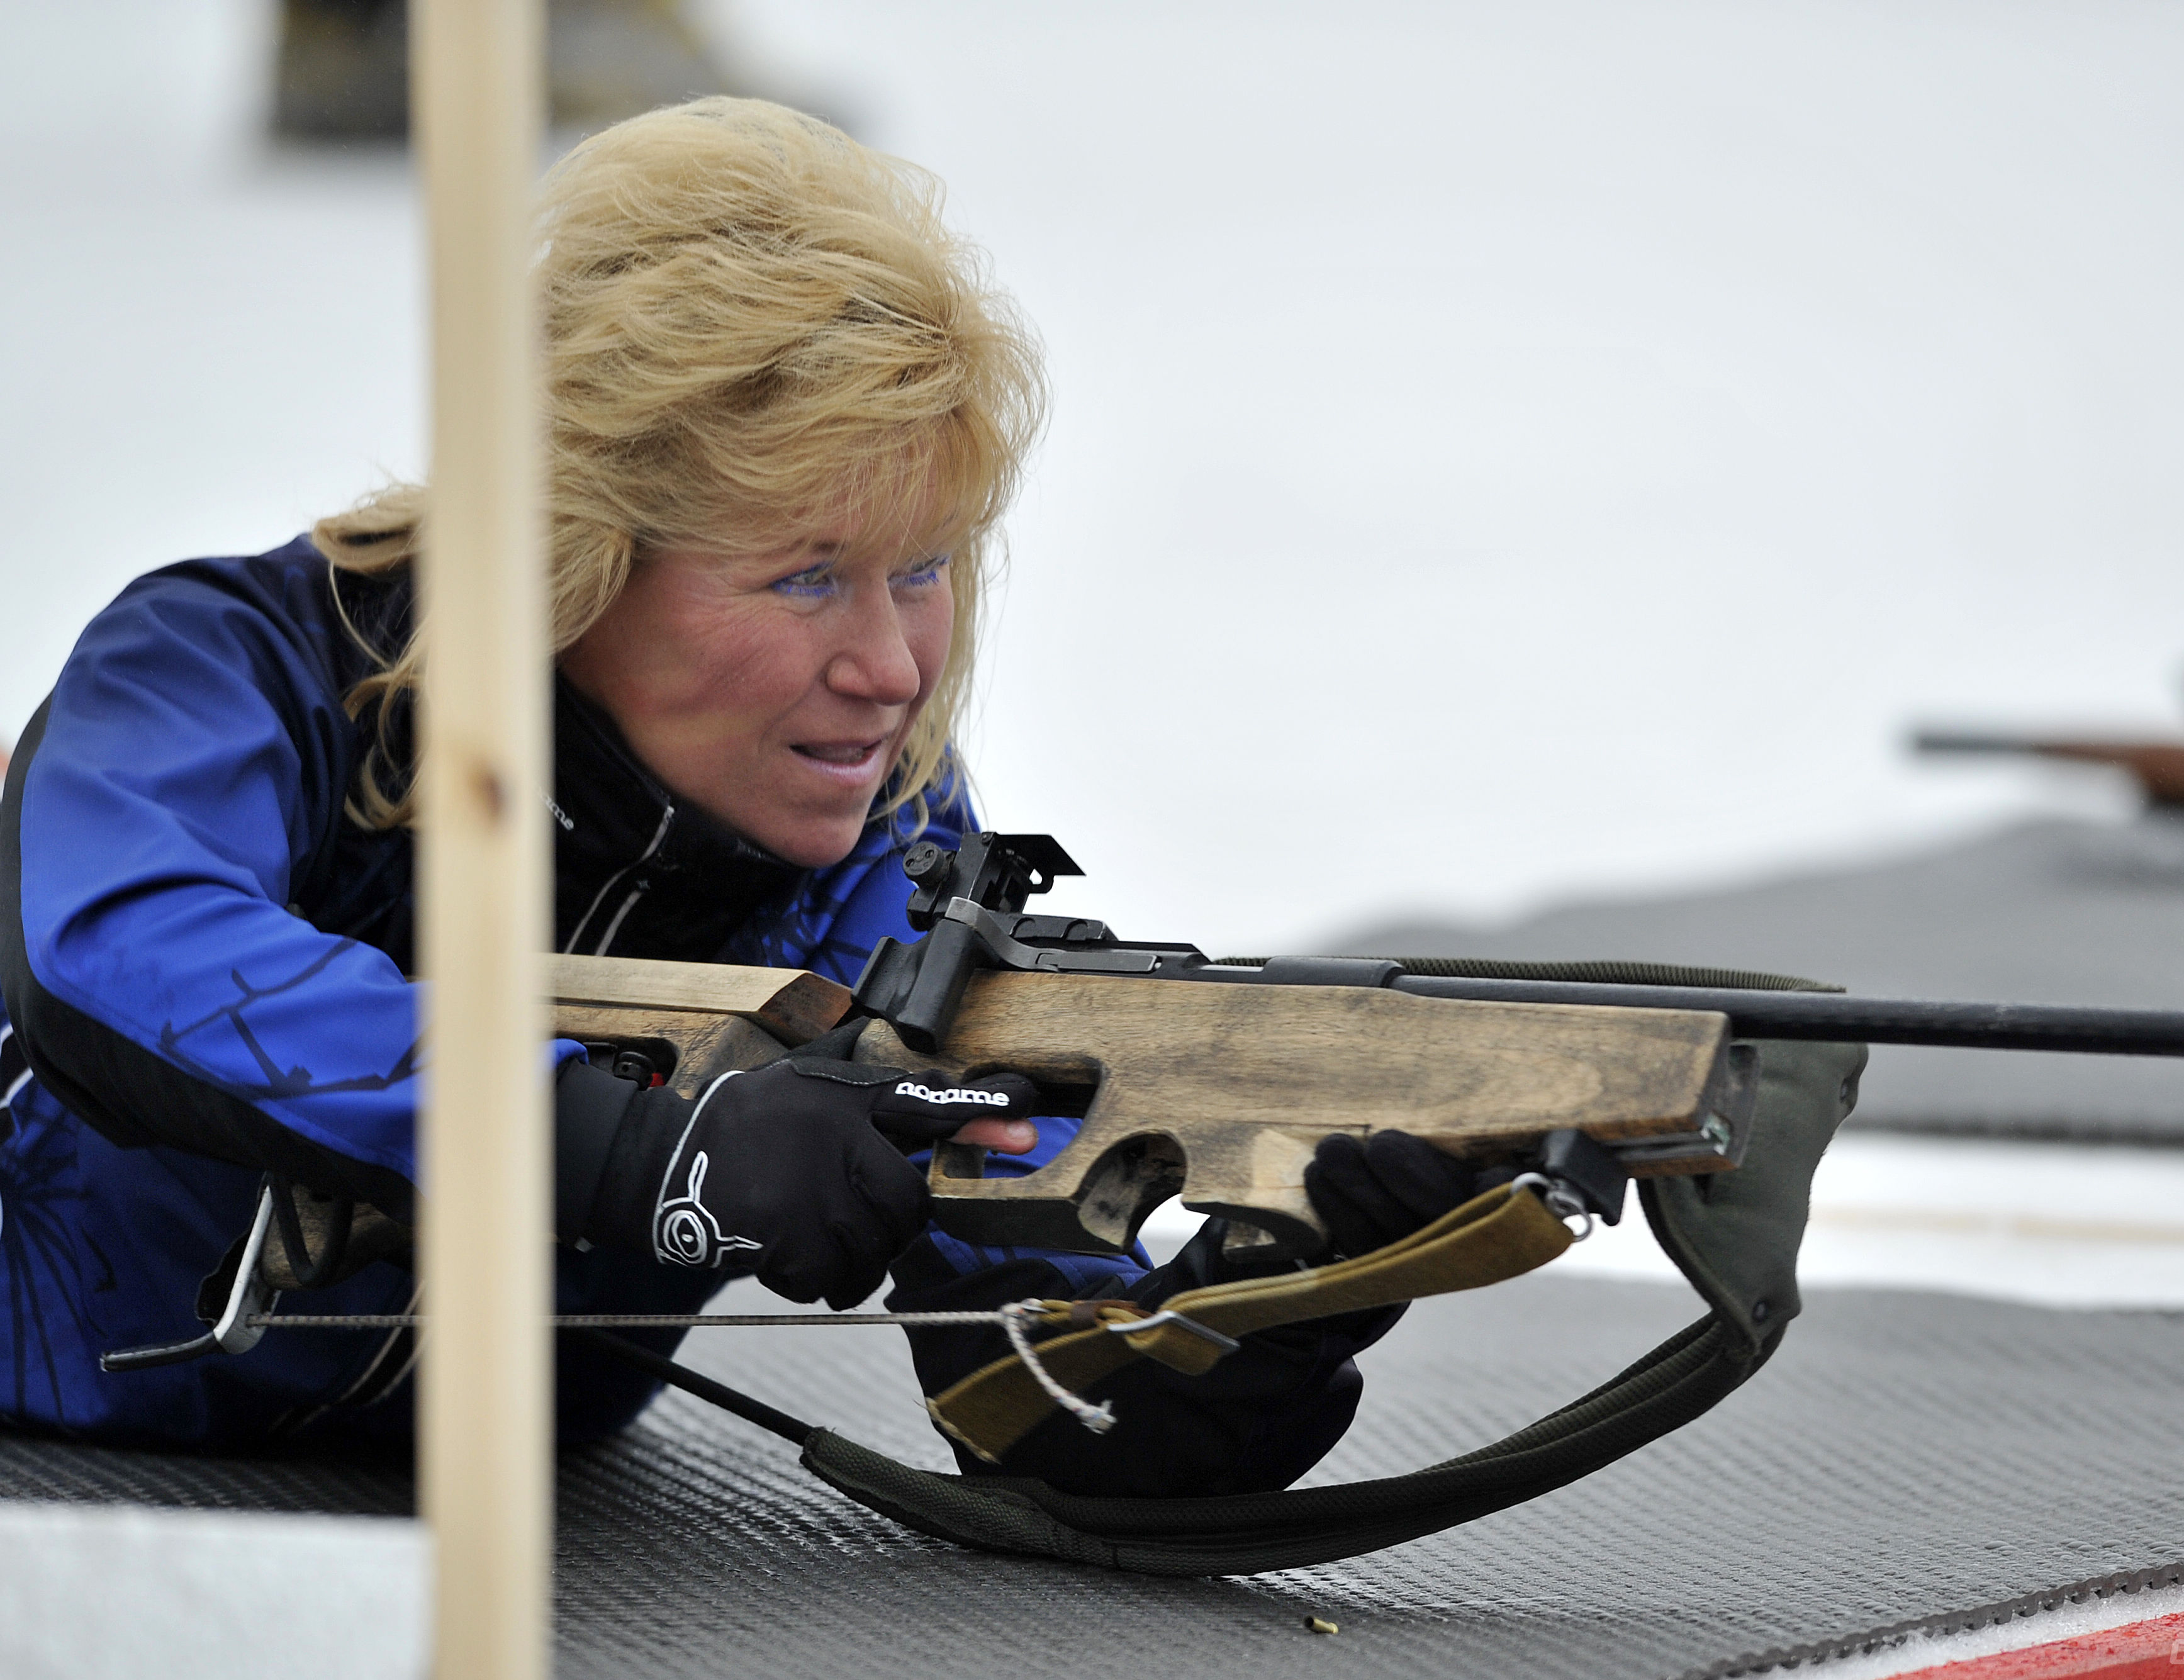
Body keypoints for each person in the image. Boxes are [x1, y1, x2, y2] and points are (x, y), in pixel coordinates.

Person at [0, 99, 1484, 1490]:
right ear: (572, 549)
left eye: (924, 568)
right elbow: (118, 956)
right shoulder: (234, 662)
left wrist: (1278, 1298)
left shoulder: (884, 851)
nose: (893, 668)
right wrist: (630, 1144)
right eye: (806, 577)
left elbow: (1043, 1395)